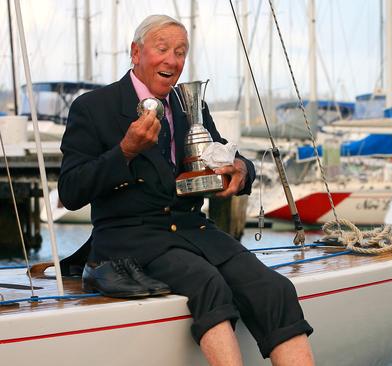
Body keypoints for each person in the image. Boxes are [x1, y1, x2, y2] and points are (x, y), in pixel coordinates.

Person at [58, 14, 314, 366]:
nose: (173, 61)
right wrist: (125, 151)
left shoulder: (188, 104)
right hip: (129, 236)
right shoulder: (93, 107)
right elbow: (70, 191)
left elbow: (223, 154)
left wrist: (240, 170)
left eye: (180, 52)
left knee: (276, 288)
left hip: (193, 231)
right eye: (162, 49)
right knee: (208, 283)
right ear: (135, 53)